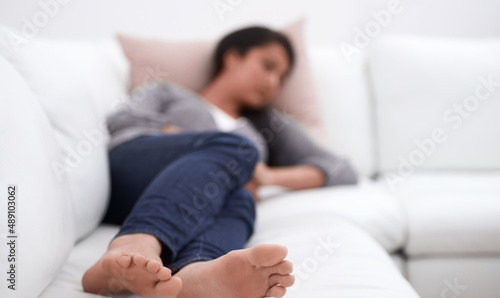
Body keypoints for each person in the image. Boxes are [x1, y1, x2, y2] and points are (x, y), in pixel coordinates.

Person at [82, 26, 357, 298]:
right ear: (232, 57)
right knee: (239, 151)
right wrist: (215, 149)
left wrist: (266, 177)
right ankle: (132, 243)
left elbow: (341, 169)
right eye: (268, 66)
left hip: (203, 203)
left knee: (242, 195)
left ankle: (195, 274)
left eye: (282, 78)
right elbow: (122, 120)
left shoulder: (265, 125)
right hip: (133, 173)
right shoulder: (168, 93)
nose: (273, 82)